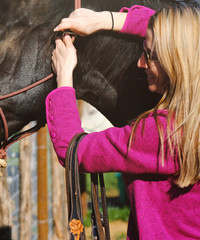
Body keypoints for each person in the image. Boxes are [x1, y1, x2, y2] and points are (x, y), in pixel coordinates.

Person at [47, 3, 200, 239]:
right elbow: (180, 29)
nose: (140, 63)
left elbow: (73, 150)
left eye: (150, 55)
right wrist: (101, 21)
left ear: (176, 59)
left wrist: (65, 77)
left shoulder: (163, 134)